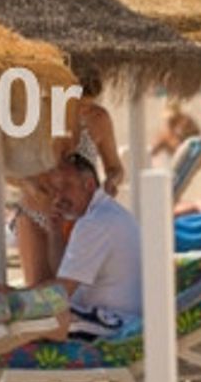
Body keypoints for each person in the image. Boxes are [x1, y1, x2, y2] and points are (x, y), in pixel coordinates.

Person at [11, 153, 143, 339]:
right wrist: (55, 233)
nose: (58, 197)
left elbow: (62, 291)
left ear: (88, 184)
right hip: (112, 317)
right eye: (54, 190)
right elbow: (64, 276)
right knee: (30, 313)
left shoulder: (95, 222)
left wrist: (13, 299)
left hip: (115, 324)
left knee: (33, 317)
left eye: (65, 187)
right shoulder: (106, 213)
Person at [55, 70, 125, 198]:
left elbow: (115, 168)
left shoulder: (99, 118)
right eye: (79, 105)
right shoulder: (52, 116)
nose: (83, 111)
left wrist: (111, 181)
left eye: (89, 106)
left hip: (87, 201)